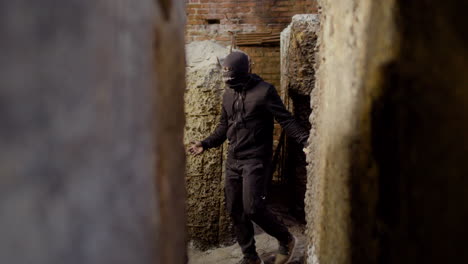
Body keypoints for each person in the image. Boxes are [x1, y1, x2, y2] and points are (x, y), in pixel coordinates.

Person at [188, 51, 308, 264]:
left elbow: (286, 120)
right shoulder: (228, 94)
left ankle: (285, 238)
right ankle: (250, 257)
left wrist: (305, 140)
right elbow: (224, 127)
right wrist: (204, 144)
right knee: (235, 209)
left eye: (232, 80)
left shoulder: (264, 92)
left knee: (253, 208)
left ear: (244, 73)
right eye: (227, 81)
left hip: (256, 160)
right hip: (234, 160)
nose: (229, 84)